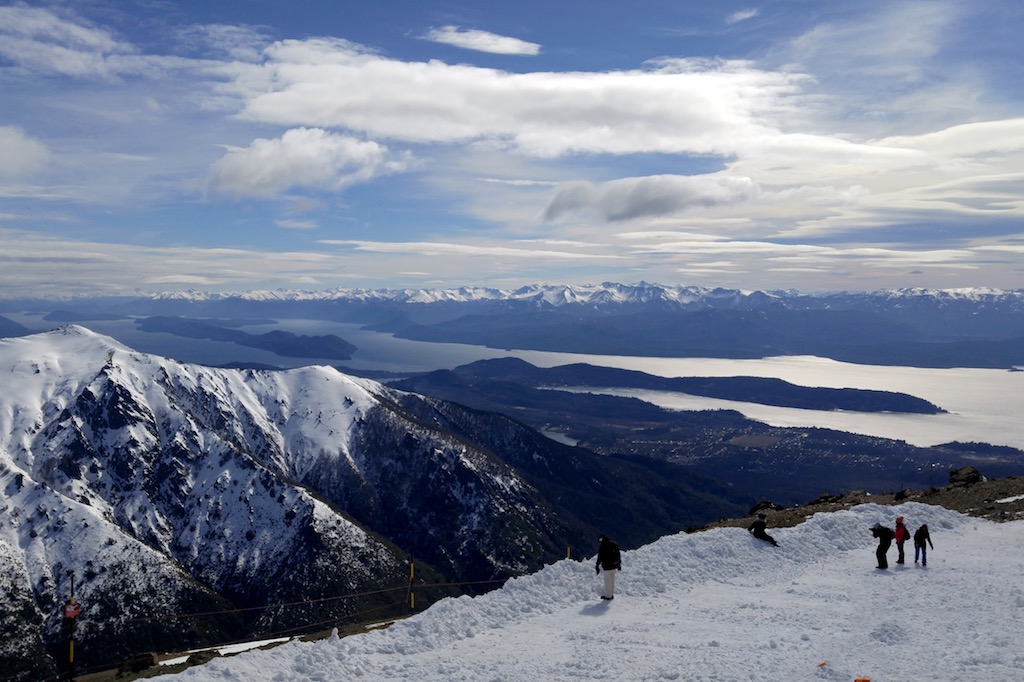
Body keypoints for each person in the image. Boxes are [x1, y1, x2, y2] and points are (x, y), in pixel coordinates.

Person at [595, 534, 621, 600]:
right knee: (612, 580)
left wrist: (597, 565)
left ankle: (608, 596)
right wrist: (619, 564)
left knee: (607, 581)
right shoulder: (614, 544)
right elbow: (618, 555)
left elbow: (600, 557)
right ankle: (611, 594)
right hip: (614, 565)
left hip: (607, 566)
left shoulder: (602, 546)